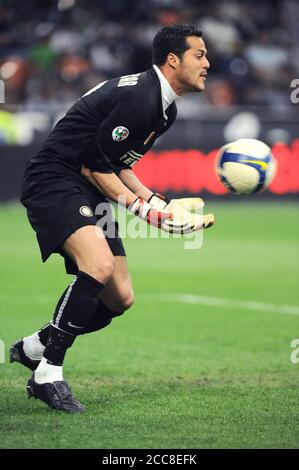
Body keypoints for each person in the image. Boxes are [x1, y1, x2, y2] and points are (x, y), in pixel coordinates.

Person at [10, 23, 214, 413]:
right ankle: (47, 374)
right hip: (55, 178)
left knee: (120, 298)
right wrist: (146, 213)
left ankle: (36, 346)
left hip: (86, 183)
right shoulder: (141, 100)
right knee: (98, 265)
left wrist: (157, 201)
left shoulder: (163, 107)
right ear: (173, 60)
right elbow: (93, 168)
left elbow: (116, 164)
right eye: (199, 55)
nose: (208, 63)